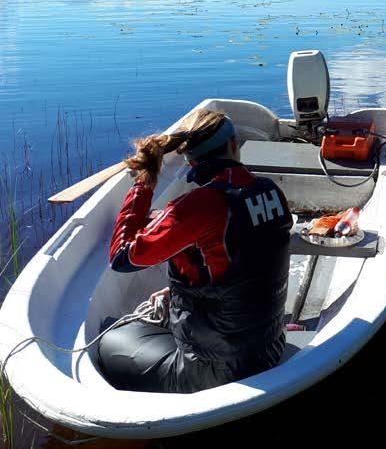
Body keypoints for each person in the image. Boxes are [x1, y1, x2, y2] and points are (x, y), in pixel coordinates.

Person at [98, 109, 292, 393]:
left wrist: (142, 183)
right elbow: (245, 261)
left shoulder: (198, 205)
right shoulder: (269, 190)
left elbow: (121, 256)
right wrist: (178, 291)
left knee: (109, 338)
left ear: (190, 160)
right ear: (234, 145)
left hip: (212, 372)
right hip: (269, 348)